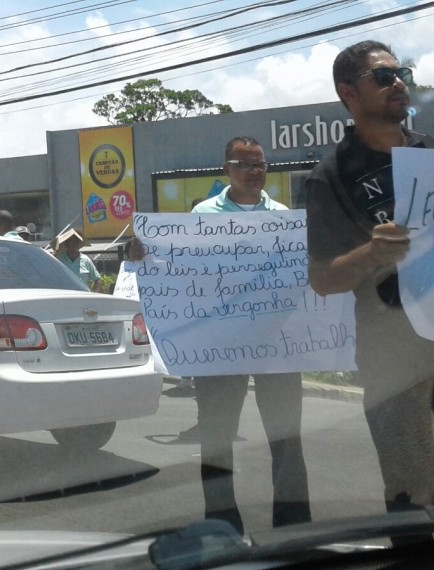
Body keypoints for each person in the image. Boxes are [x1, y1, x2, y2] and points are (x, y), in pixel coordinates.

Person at [131, 136, 311, 534]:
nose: (254, 170)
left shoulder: (284, 217)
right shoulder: (202, 215)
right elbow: (179, 268)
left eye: (260, 163)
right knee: (217, 437)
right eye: (244, 163)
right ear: (225, 170)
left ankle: (295, 525)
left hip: (276, 344)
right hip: (219, 347)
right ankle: (222, 525)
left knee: (287, 438)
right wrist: (145, 256)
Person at [306, 40, 434, 519]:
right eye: (382, 76)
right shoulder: (332, 176)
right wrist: (372, 252)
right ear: (349, 95)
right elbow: (322, 279)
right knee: (413, 495)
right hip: (393, 355)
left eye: (400, 72)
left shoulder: (431, 153)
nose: (398, 81)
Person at [54, 227, 102, 292]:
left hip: (83, 298)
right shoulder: (58, 259)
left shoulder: (86, 260)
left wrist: (95, 295)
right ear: (67, 244)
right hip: (65, 297)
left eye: (77, 241)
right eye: (72, 241)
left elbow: (97, 280)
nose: (75, 244)